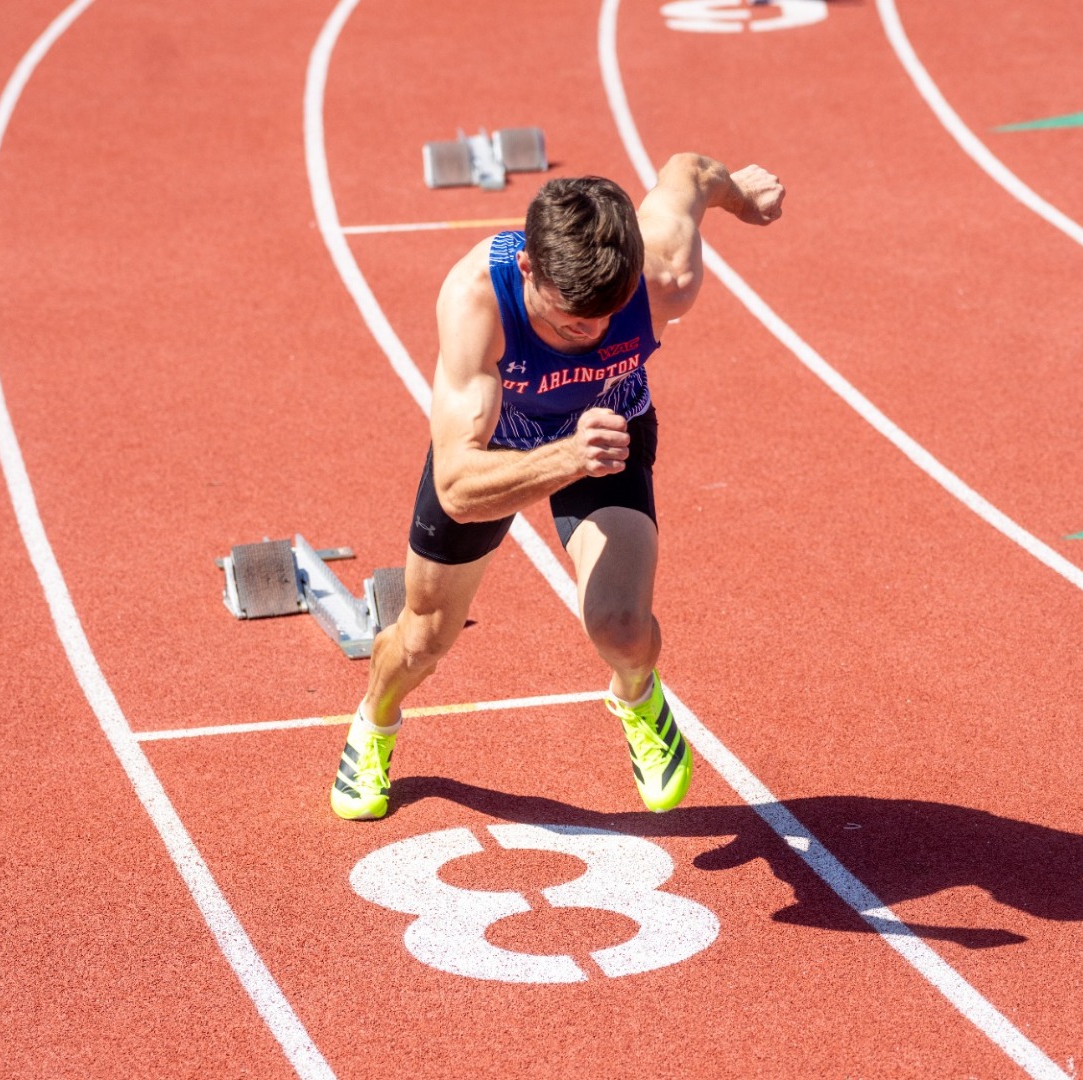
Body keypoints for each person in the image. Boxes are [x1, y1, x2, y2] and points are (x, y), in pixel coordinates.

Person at [330, 154, 785, 821]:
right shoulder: (476, 302)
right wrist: (568, 454)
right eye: (572, 319)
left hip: (610, 428)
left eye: (607, 315)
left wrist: (740, 196)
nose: (592, 331)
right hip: (501, 449)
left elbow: (687, 174)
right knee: (424, 638)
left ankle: (636, 696)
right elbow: (458, 485)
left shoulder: (665, 276)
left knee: (623, 627)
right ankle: (376, 721)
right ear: (529, 272)